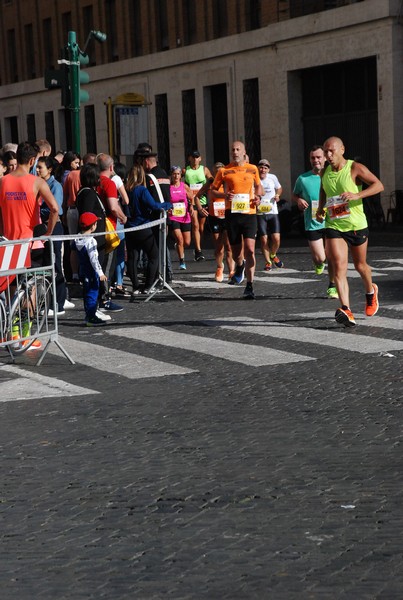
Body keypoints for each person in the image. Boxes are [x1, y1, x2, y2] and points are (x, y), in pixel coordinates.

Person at [316, 136, 384, 327]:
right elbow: (323, 190)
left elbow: (379, 185)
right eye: (325, 151)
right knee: (338, 266)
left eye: (331, 151)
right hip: (334, 225)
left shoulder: (354, 168)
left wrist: (357, 195)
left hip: (355, 224)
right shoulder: (325, 172)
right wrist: (321, 208)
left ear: (342, 149)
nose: (328, 155)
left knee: (361, 265)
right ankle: (346, 308)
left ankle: (371, 292)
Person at [211, 140, 263, 299]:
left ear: (243, 152)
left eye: (238, 149)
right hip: (232, 214)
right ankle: (239, 266)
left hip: (249, 213)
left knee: (250, 249)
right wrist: (224, 195)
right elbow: (213, 190)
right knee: (236, 254)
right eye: (233, 149)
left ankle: (250, 285)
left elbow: (259, 187)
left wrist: (258, 197)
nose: (235, 152)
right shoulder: (224, 171)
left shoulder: (252, 169)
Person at [291, 145, 338, 299]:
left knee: (331, 256)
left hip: (331, 221)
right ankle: (318, 262)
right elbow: (294, 195)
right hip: (312, 222)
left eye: (318, 157)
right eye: (313, 158)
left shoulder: (332, 175)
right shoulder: (303, 178)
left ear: (325, 158)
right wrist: (299, 200)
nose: (316, 160)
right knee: (321, 257)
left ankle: (332, 286)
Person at [125, 164, 172, 298]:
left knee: (133, 257)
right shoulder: (141, 190)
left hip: (130, 226)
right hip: (143, 226)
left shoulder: (127, 190)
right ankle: (148, 285)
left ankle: (135, 286)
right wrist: (168, 205)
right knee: (154, 255)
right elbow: (153, 205)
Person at [0, 142, 58, 242]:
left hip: (9, 242)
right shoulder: (38, 182)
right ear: (32, 161)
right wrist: (48, 232)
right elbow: (55, 208)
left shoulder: (2, 181)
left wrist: (2, 232)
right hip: (32, 241)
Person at [37, 156, 71, 315]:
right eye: (36, 167)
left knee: (56, 264)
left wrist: (36, 210)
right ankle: (50, 301)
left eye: (40, 168)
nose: (37, 170)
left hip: (53, 226)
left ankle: (59, 303)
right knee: (47, 263)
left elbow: (56, 208)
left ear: (49, 170)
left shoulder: (55, 186)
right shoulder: (39, 183)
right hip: (42, 226)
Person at [96, 153, 127, 312]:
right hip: (108, 228)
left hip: (94, 228)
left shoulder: (93, 181)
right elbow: (114, 207)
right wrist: (123, 217)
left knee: (97, 264)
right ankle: (104, 299)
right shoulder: (108, 183)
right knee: (107, 264)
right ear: (111, 167)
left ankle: (98, 297)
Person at [194, 161, 235, 282]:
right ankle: (219, 267)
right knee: (219, 247)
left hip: (227, 216)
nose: (219, 174)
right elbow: (197, 196)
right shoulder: (210, 183)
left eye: (221, 172)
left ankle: (232, 271)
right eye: (217, 172)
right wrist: (200, 209)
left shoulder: (229, 182)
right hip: (214, 217)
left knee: (228, 245)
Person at [140, 148, 173, 283]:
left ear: (147, 162)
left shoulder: (149, 178)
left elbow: (147, 198)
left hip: (155, 215)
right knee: (163, 245)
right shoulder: (164, 174)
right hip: (165, 213)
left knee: (154, 248)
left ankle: (157, 275)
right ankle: (167, 273)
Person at [73, 212, 108, 327]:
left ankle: (89, 314)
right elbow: (94, 259)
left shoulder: (77, 238)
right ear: (93, 226)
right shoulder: (91, 241)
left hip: (83, 269)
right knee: (93, 293)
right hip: (91, 271)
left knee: (86, 293)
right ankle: (91, 317)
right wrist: (100, 273)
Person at [184, 150, 213, 261]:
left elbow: (211, 178)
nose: (195, 159)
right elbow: (175, 178)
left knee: (201, 228)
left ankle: (197, 247)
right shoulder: (185, 171)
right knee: (195, 225)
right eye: (193, 157)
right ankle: (198, 251)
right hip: (192, 202)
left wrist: (210, 181)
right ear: (189, 158)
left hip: (202, 200)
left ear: (200, 159)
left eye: (197, 157)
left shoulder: (204, 169)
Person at [256, 158, 284, 270]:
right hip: (260, 213)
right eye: (261, 167)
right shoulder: (254, 178)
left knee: (276, 238)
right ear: (258, 168)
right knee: (263, 239)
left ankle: (273, 254)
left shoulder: (273, 177)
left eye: (265, 168)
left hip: (272, 211)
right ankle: (268, 262)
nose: (263, 170)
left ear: (268, 169)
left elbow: (280, 188)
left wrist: (278, 195)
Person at [169, 165, 194, 270]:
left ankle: (179, 245)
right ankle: (182, 261)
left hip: (184, 216)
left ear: (180, 176)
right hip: (174, 216)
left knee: (187, 242)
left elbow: (191, 197)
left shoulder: (184, 186)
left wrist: (192, 206)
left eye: (178, 174)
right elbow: (165, 200)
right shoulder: (168, 187)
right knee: (180, 239)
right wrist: (168, 208)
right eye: (174, 174)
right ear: (171, 175)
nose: (176, 176)